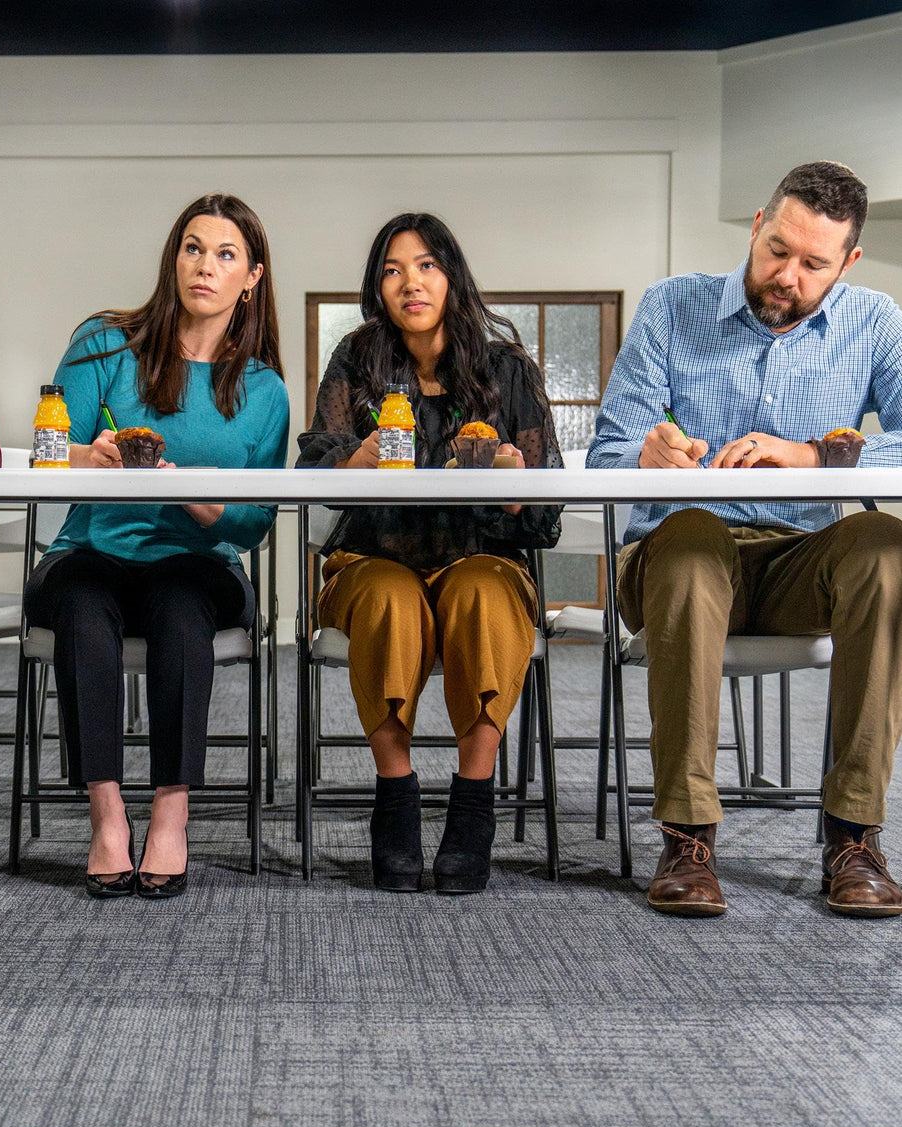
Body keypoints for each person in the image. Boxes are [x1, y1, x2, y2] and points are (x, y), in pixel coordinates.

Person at [588, 160, 902, 919]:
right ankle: (688, 838)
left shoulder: (876, 324)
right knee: (694, 538)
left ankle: (853, 836)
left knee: (886, 545)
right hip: (676, 561)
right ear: (758, 224)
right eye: (777, 250)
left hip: (800, 564)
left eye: (813, 264)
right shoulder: (671, 308)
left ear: (849, 262)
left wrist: (816, 455)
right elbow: (607, 453)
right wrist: (648, 456)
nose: (786, 276)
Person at [23, 193, 289, 900]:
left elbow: (256, 521)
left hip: (200, 564)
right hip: (92, 548)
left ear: (252, 277)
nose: (205, 266)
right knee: (80, 605)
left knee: (178, 609)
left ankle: (172, 814)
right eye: (193, 248)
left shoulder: (263, 390)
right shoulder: (105, 343)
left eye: (225, 254)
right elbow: (50, 454)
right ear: (174, 259)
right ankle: (106, 815)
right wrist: (93, 457)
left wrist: (206, 506)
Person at [297, 213, 562, 894]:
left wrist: (514, 489)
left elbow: (547, 507)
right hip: (371, 558)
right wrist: (355, 459)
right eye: (391, 269)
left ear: (452, 275)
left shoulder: (507, 369)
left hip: (480, 557)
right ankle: (396, 793)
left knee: (478, 593)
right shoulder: (357, 360)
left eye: (425, 265)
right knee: (389, 596)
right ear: (375, 287)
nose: (408, 282)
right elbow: (313, 473)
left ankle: (473, 804)